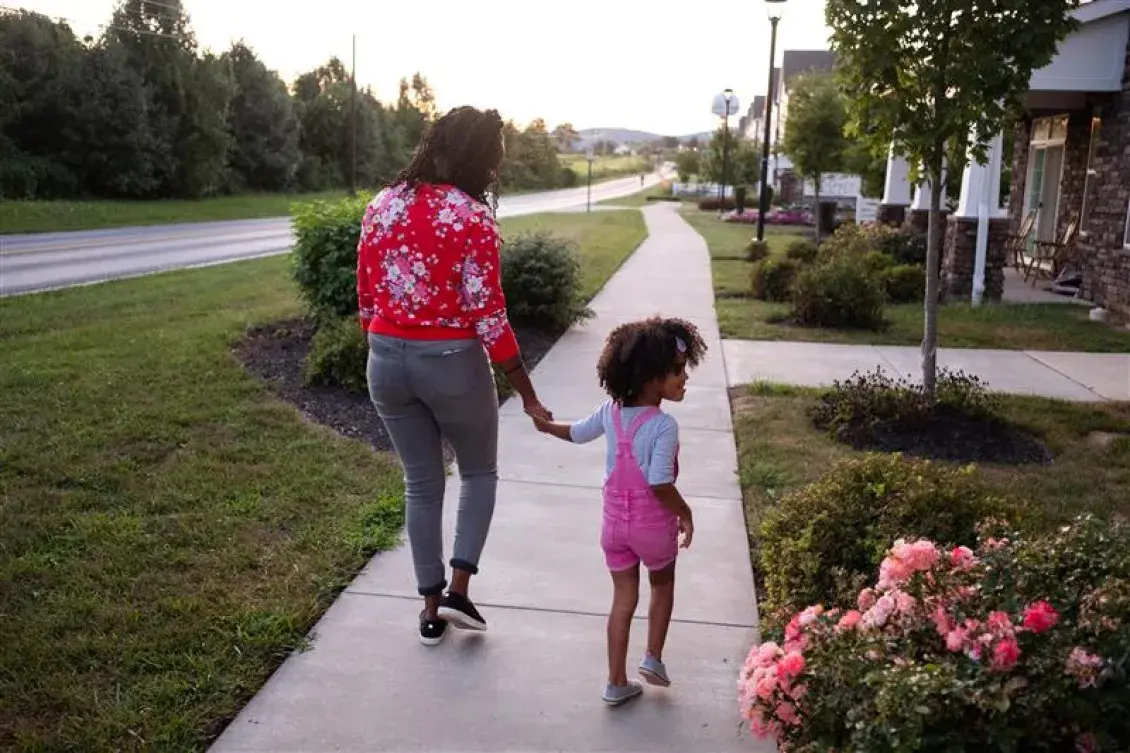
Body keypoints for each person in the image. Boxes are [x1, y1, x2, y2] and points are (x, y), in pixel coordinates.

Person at [357, 105, 552, 646]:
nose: (494, 173)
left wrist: (388, 346)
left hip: (385, 359)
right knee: (478, 473)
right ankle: (458, 594)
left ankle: (428, 609)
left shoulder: (382, 204)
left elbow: (367, 296)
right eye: (494, 162)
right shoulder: (470, 217)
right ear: (478, 159)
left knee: (420, 483)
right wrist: (529, 396)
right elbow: (489, 315)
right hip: (451, 361)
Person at [530, 317, 707, 705]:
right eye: (676, 372)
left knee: (622, 600)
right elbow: (659, 482)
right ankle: (653, 659)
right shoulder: (663, 425)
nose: (684, 379)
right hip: (651, 526)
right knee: (662, 585)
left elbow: (576, 432)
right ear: (649, 377)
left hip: (613, 527)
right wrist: (686, 511)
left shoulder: (610, 412)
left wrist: (546, 426)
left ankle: (615, 682)